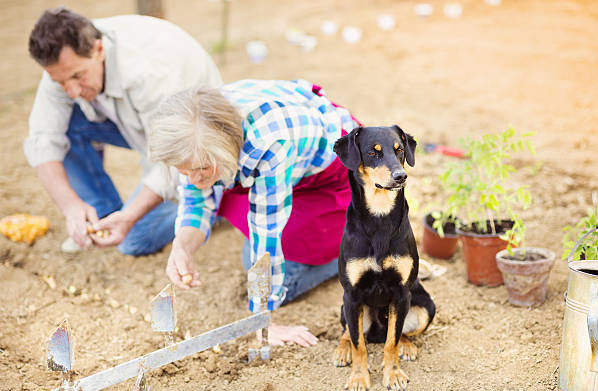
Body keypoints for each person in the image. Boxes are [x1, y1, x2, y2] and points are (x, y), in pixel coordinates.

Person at [148, 80, 360, 346]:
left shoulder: (268, 146)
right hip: (280, 165)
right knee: (247, 251)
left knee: (263, 265)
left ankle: (354, 252)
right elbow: (196, 201)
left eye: (201, 169)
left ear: (223, 151)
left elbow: (267, 234)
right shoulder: (195, 134)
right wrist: (182, 247)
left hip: (335, 173)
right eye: (184, 170)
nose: (191, 179)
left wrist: (263, 320)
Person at [25, 7, 223, 255]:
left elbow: (170, 163)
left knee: (135, 240)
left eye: (78, 77)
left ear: (98, 49)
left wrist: (130, 217)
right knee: (65, 121)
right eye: (61, 82)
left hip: (193, 141)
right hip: (136, 126)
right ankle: (100, 219)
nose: (72, 90)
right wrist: (70, 206)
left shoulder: (152, 72)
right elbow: (43, 138)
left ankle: (211, 204)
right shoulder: (64, 63)